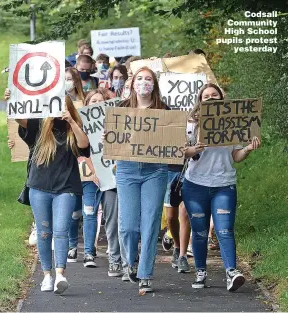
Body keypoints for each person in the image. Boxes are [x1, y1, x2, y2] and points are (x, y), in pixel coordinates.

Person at [182, 83, 261, 292]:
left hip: (224, 184)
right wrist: (193, 149)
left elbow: (236, 156)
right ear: (200, 100)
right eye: (206, 96)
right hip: (195, 185)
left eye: (214, 95)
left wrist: (247, 148)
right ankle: (200, 271)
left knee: (224, 229)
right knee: (199, 232)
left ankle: (231, 272)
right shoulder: (190, 124)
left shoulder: (232, 123)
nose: (210, 98)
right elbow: (180, 153)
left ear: (221, 98)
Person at [9, 94, 90, 294]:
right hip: (39, 188)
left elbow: (84, 147)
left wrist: (71, 121)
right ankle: (47, 275)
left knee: (61, 230)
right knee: (44, 233)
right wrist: (13, 100)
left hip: (66, 189)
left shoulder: (73, 129)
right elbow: (20, 118)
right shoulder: (38, 126)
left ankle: (60, 274)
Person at [105, 67, 169, 294]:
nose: (144, 83)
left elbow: (171, 143)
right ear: (132, 84)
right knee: (128, 225)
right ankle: (129, 261)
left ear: (155, 84)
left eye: (148, 79)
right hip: (127, 170)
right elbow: (111, 143)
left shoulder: (164, 110)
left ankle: (145, 274)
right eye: (139, 78)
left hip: (155, 171)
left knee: (150, 222)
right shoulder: (120, 110)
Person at [83, 88, 128, 278]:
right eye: (93, 101)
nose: (97, 104)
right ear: (87, 105)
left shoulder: (119, 122)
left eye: (101, 101)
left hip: (122, 175)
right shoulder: (83, 126)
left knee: (126, 220)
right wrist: (92, 170)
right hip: (102, 177)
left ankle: (128, 260)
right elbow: (81, 151)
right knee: (111, 219)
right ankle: (115, 259)